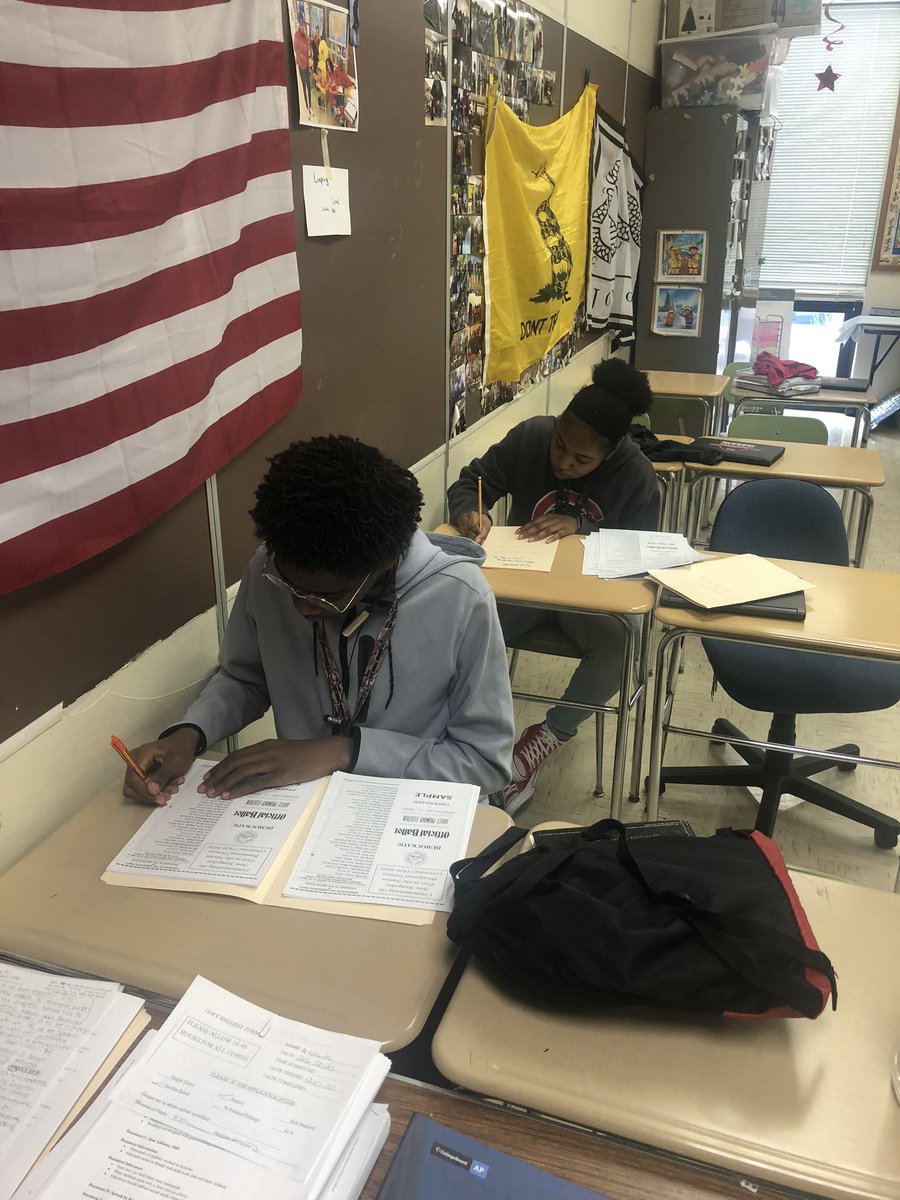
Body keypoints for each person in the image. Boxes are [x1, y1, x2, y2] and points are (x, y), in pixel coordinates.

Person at [123, 436, 514, 805]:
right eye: (287, 584)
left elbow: (484, 762)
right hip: (301, 805)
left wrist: (343, 751)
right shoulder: (269, 568)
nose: (301, 607)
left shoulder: (462, 598)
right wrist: (190, 733)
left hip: (413, 807)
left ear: (382, 565)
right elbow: (246, 677)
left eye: (327, 597)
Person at [447, 359, 659, 813]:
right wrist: (471, 511)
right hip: (522, 585)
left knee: (622, 643)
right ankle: (461, 736)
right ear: (557, 422)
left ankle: (544, 738)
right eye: (561, 443)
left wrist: (582, 525)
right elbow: (470, 482)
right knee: (455, 624)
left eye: (582, 460)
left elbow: (643, 554)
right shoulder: (532, 436)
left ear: (610, 453)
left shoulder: (637, 474)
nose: (563, 462)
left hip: (588, 600)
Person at [293, 20, 312, 115]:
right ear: (299, 26)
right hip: (301, 65)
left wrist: (308, 44)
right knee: (304, 85)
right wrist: (302, 57)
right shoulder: (296, 36)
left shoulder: (305, 37)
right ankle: (307, 106)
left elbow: (308, 50)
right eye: (302, 26)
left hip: (307, 64)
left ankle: (310, 106)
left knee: (309, 85)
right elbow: (296, 49)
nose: (303, 28)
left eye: (304, 26)